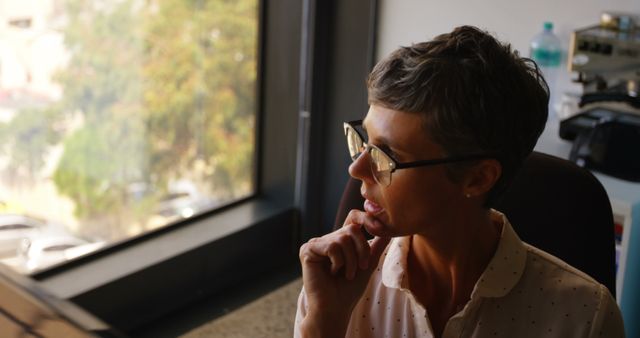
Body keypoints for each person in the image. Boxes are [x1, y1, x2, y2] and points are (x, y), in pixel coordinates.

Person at [293, 26, 625, 338]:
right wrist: (324, 324)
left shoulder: (583, 316)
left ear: (478, 178)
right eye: (364, 140)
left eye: (387, 154)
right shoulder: (333, 286)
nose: (357, 168)